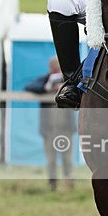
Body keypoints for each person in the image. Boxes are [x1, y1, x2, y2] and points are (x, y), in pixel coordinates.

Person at [25, 56, 76, 189]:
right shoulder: (45, 79)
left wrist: (65, 89)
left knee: (67, 159)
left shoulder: (68, 81)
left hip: (65, 128)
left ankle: (69, 183)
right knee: (51, 160)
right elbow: (29, 86)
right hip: (49, 129)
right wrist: (46, 87)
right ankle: (52, 184)